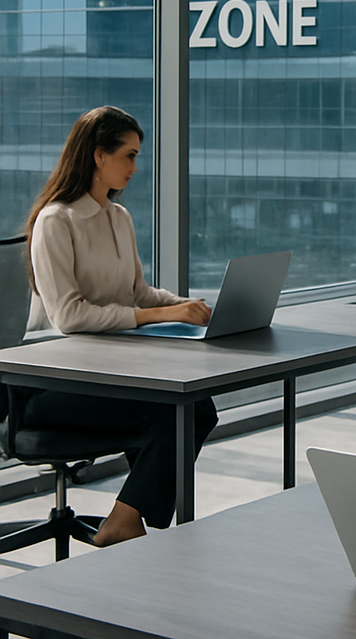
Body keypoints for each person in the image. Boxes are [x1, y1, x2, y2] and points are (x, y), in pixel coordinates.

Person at [24, 105, 219, 546]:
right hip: (47, 385)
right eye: (128, 155)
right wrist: (160, 315)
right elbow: (69, 316)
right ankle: (126, 522)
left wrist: (184, 305)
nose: (135, 167)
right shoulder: (57, 221)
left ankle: (129, 517)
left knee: (194, 406)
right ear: (98, 155)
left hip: (102, 372)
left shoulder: (118, 217)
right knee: (177, 410)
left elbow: (137, 294)